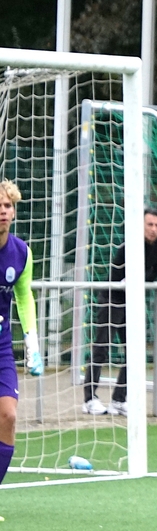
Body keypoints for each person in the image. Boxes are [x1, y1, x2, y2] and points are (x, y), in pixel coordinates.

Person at [82, 207, 157, 416]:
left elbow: (155, 272)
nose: (153, 229)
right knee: (101, 349)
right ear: (141, 225)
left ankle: (119, 399)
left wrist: (139, 280)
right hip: (113, 300)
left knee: (134, 352)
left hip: (132, 302)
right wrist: (129, 280)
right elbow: (117, 274)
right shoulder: (130, 245)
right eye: (149, 224)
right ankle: (89, 399)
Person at [0, 180, 44, 486]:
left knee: (9, 416)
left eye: (7, 206)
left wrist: (33, 345)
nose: (3, 211)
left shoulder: (22, 253)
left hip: (2, 347)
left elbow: (24, 297)